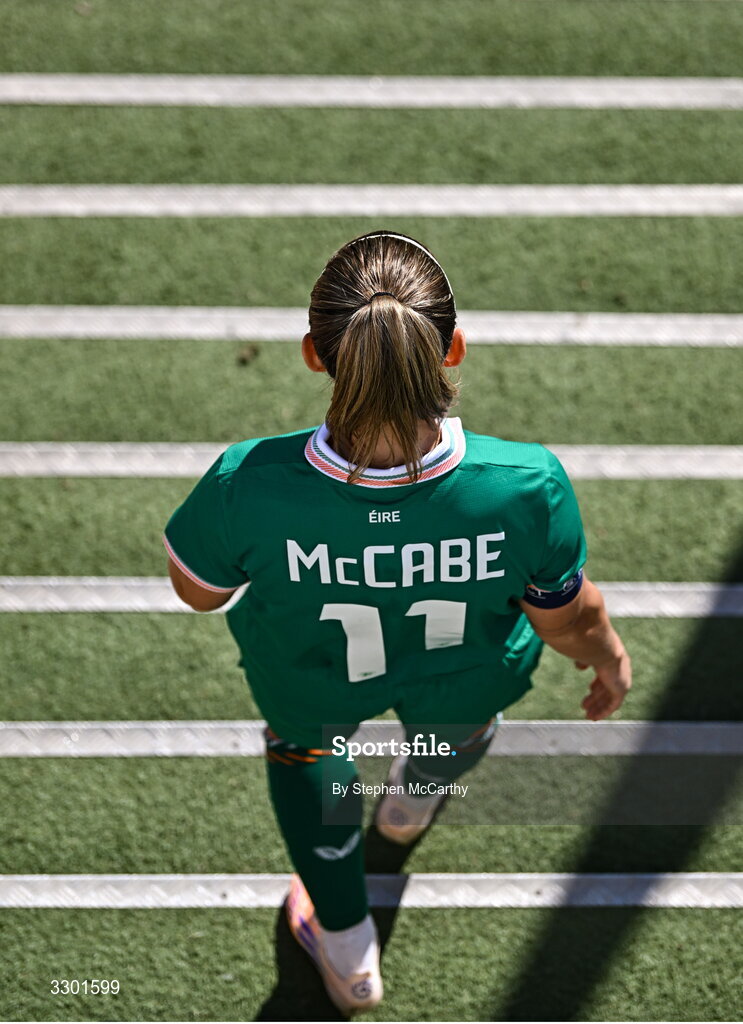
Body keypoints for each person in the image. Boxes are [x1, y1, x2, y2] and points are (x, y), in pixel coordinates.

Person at [164, 230, 632, 1015]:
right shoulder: (523, 483)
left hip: (311, 670)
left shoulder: (249, 479)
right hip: (462, 671)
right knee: (454, 726)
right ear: (451, 350)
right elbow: (568, 617)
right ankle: (411, 802)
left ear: (316, 354)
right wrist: (608, 657)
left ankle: (348, 953)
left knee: (307, 754)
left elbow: (198, 592)